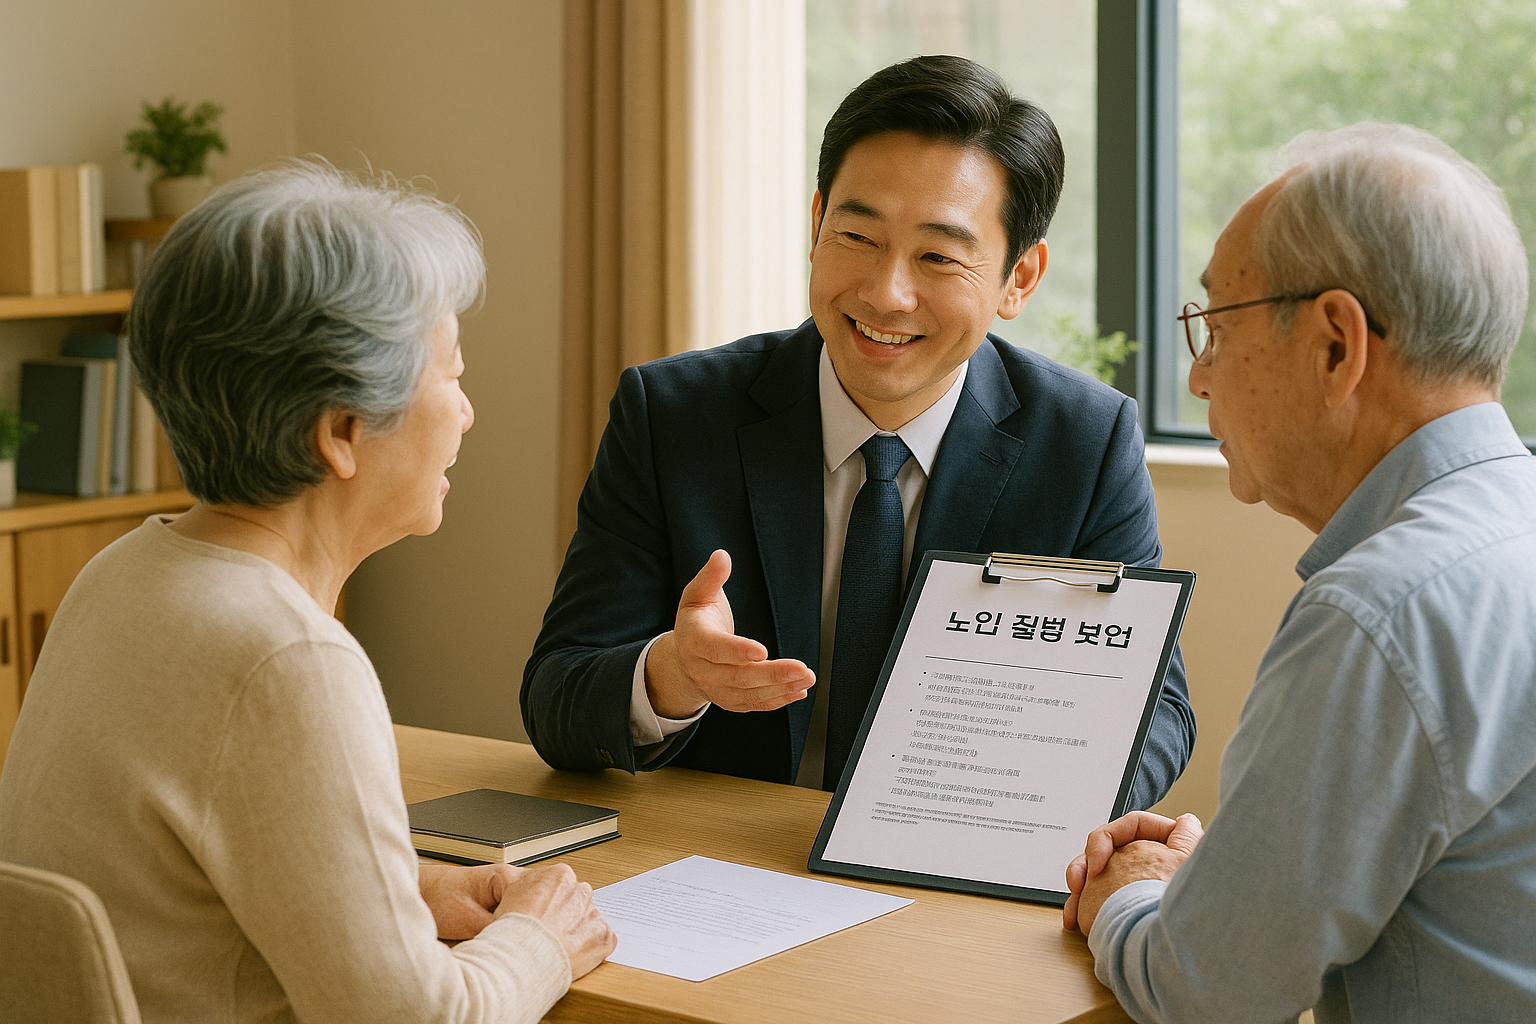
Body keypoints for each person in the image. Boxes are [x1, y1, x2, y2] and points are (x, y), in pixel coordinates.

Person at [0, 162, 615, 1023]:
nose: (468, 413)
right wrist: (542, 939)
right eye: (452, 375)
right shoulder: (287, 660)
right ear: (340, 432)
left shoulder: (120, 578)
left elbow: (188, 876)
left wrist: (407, 886)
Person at [522, 55, 1195, 802]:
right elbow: (556, 700)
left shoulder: (1086, 443)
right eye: (857, 237)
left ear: (1019, 279)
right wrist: (672, 675)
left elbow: (1157, 714)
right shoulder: (673, 413)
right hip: (720, 868)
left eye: (938, 256)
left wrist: (1035, 797)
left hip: (949, 879)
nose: (886, 294)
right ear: (816, 226)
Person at [1064, 123, 1536, 1023]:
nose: (1199, 378)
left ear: (1334, 346)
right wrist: (1217, 884)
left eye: (1215, 327)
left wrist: (1128, 890)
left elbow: (1207, 992)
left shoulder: (1379, 614)